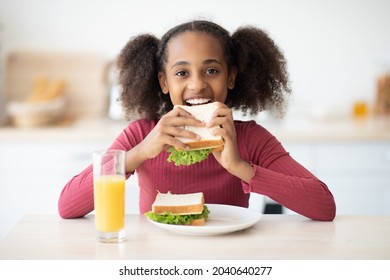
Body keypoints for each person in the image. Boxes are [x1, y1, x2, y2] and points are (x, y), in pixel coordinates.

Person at [58, 20, 336, 221]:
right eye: (181, 73)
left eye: (211, 70)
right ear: (164, 82)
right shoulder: (141, 134)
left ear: (231, 77)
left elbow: (324, 206)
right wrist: (140, 152)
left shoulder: (251, 138)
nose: (197, 84)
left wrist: (238, 166)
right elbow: (67, 205)